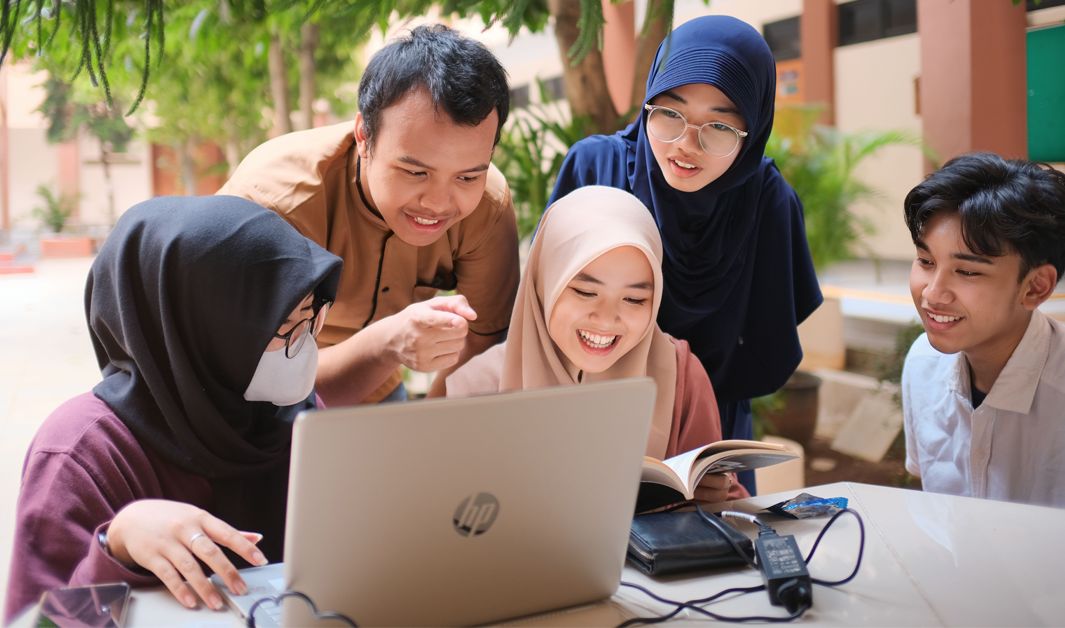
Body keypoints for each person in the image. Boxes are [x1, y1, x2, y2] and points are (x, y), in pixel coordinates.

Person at [4, 196, 344, 622]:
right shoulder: (81, 451)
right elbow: (43, 620)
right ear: (201, 329)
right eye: (284, 327)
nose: (307, 346)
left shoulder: (296, 417)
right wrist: (117, 547)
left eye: (313, 319)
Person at [546, 16, 823, 494]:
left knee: (714, 562)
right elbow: (542, 304)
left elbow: (769, 350)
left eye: (718, 126)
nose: (685, 145)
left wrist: (691, 411)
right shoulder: (597, 166)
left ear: (752, 129)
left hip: (710, 441)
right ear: (649, 101)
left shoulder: (768, 202)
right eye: (669, 114)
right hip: (590, 420)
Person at [218, 24, 519, 405]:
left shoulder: (488, 205)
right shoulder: (274, 203)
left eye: (467, 176)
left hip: (381, 386)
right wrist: (386, 344)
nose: (439, 203)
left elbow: (485, 338)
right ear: (364, 136)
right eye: (415, 172)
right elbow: (243, 375)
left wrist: (429, 426)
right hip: (255, 403)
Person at [443, 186, 749, 504]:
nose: (606, 320)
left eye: (634, 299)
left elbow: (730, 507)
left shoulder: (679, 374)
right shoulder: (475, 390)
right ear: (544, 281)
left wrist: (714, 494)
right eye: (586, 292)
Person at [900, 152, 1065, 513]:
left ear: (1035, 287)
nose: (932, 294)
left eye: (967, 272)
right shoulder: (923, 362)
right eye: (926, 261)